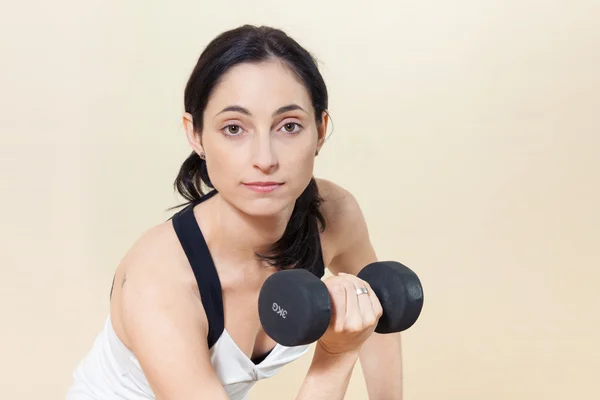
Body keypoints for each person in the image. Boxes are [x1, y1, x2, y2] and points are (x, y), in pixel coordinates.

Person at [66, 24, 403, 400]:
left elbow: (379, 315)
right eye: (233, 128)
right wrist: (336, 356)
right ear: (195, 134)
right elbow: (344, 350)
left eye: (289, 126)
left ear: (321, 131)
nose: (264, 159)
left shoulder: (334, 215)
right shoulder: (159, 280)